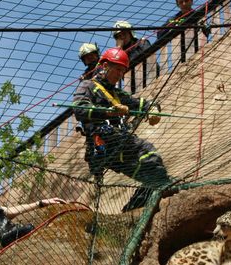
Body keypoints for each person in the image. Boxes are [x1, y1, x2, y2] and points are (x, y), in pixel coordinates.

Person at [72, 47, 172, 212]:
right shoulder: (88, 86)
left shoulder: (116, 94)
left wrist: (153, 109)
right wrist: (109, 111)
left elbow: (141, 103)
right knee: (148, 152)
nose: (120, 74)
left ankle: (131, 211)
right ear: (104, 65)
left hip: (119, 142)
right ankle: (148, 198)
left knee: (154, 173)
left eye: (123, 71)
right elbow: (79, 109)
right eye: (117, 69)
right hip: (103, 141)